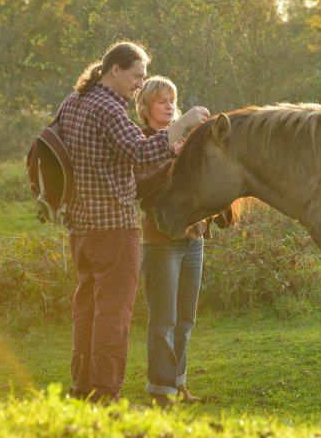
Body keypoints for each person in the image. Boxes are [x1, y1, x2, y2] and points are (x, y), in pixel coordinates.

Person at [58, 41, 209, 403]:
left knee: (88, 312)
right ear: (115, 70)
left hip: (80, 227)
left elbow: (54, 146)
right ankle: (106, 395)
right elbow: (139, 152)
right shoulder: (108, 107)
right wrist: (184, 124)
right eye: (137, 75)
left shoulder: (73, 101)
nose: (140, 83)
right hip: (113, 226)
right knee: (114, 315)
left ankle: (84, 389)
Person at [134, 76, 208, 406]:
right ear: (145, 107)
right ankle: (160, 390)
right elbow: (140, 187)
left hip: (193, 240)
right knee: (163, 319)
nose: (168, 105)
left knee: (186, 319)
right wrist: (172, 161)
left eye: (171, 100)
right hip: (160, 241)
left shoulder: (185, 140)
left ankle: (178, 385)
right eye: (161, 100)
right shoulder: (141, 141)